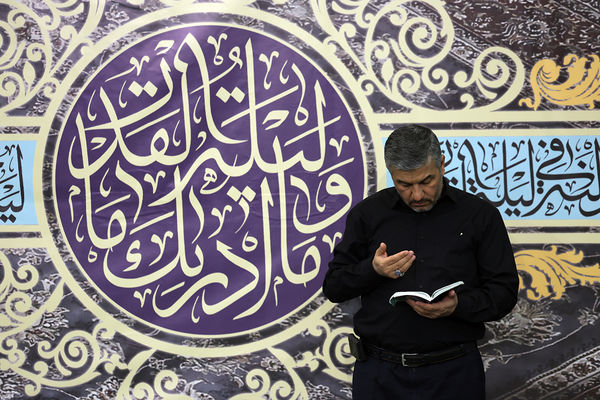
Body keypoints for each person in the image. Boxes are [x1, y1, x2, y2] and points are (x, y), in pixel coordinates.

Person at [322, 124, 519, 399]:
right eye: (404, 185)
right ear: (391, 173)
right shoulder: (367, 214)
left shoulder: (480, 216)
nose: (417, 195)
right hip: (379, 375)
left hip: (455, 373)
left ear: (441, 164)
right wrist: (373, 269)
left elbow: (504, 293)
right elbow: (334, 287)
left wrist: (458, 306)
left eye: (426, 181)